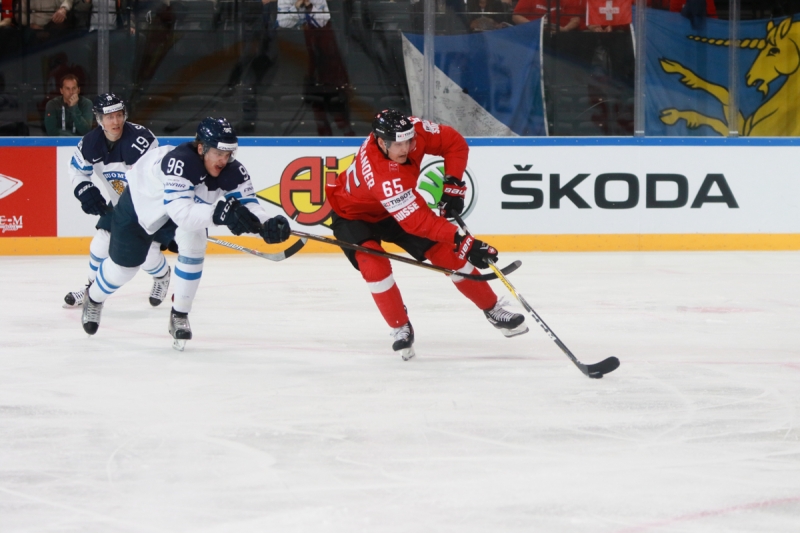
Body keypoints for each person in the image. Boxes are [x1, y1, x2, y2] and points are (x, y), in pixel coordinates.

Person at [325, 109, 528, 361]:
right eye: (398, 144)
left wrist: (453, 185)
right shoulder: (384, 175)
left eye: (409, 141)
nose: (406, 148)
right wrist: (463, 240)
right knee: (374, 265)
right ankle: (400, 325)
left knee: (447, 254)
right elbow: (416, 222)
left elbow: (454, 142)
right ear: (381, 142)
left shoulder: (412, 132)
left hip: (394, 209)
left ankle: (493, 309)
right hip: (352, 215)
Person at [80, 117, 291, 351]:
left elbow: (250, 205)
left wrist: (266, 225)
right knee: (124, 269)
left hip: (179, 209)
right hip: (140, 210)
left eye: (230, 153)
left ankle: (179, 313)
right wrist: (221, 214)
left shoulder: (233, 170)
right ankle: (95, 297)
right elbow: (181, 212)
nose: (225, 159)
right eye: (219, 153)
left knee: (194, 241)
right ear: (202, 148)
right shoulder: (179, 162)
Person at [64, 93, 171, 310]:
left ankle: (162, 276)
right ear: (99, 119)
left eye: (119, 115)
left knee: (148, 256)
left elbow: (154, 180)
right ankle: (91, 290)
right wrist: (84, 189)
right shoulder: (90, 143)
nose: (116, 122)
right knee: (100, 243)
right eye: (109, 117)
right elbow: (77, 170)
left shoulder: (142, 140)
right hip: (121, 205)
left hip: (149, 207)